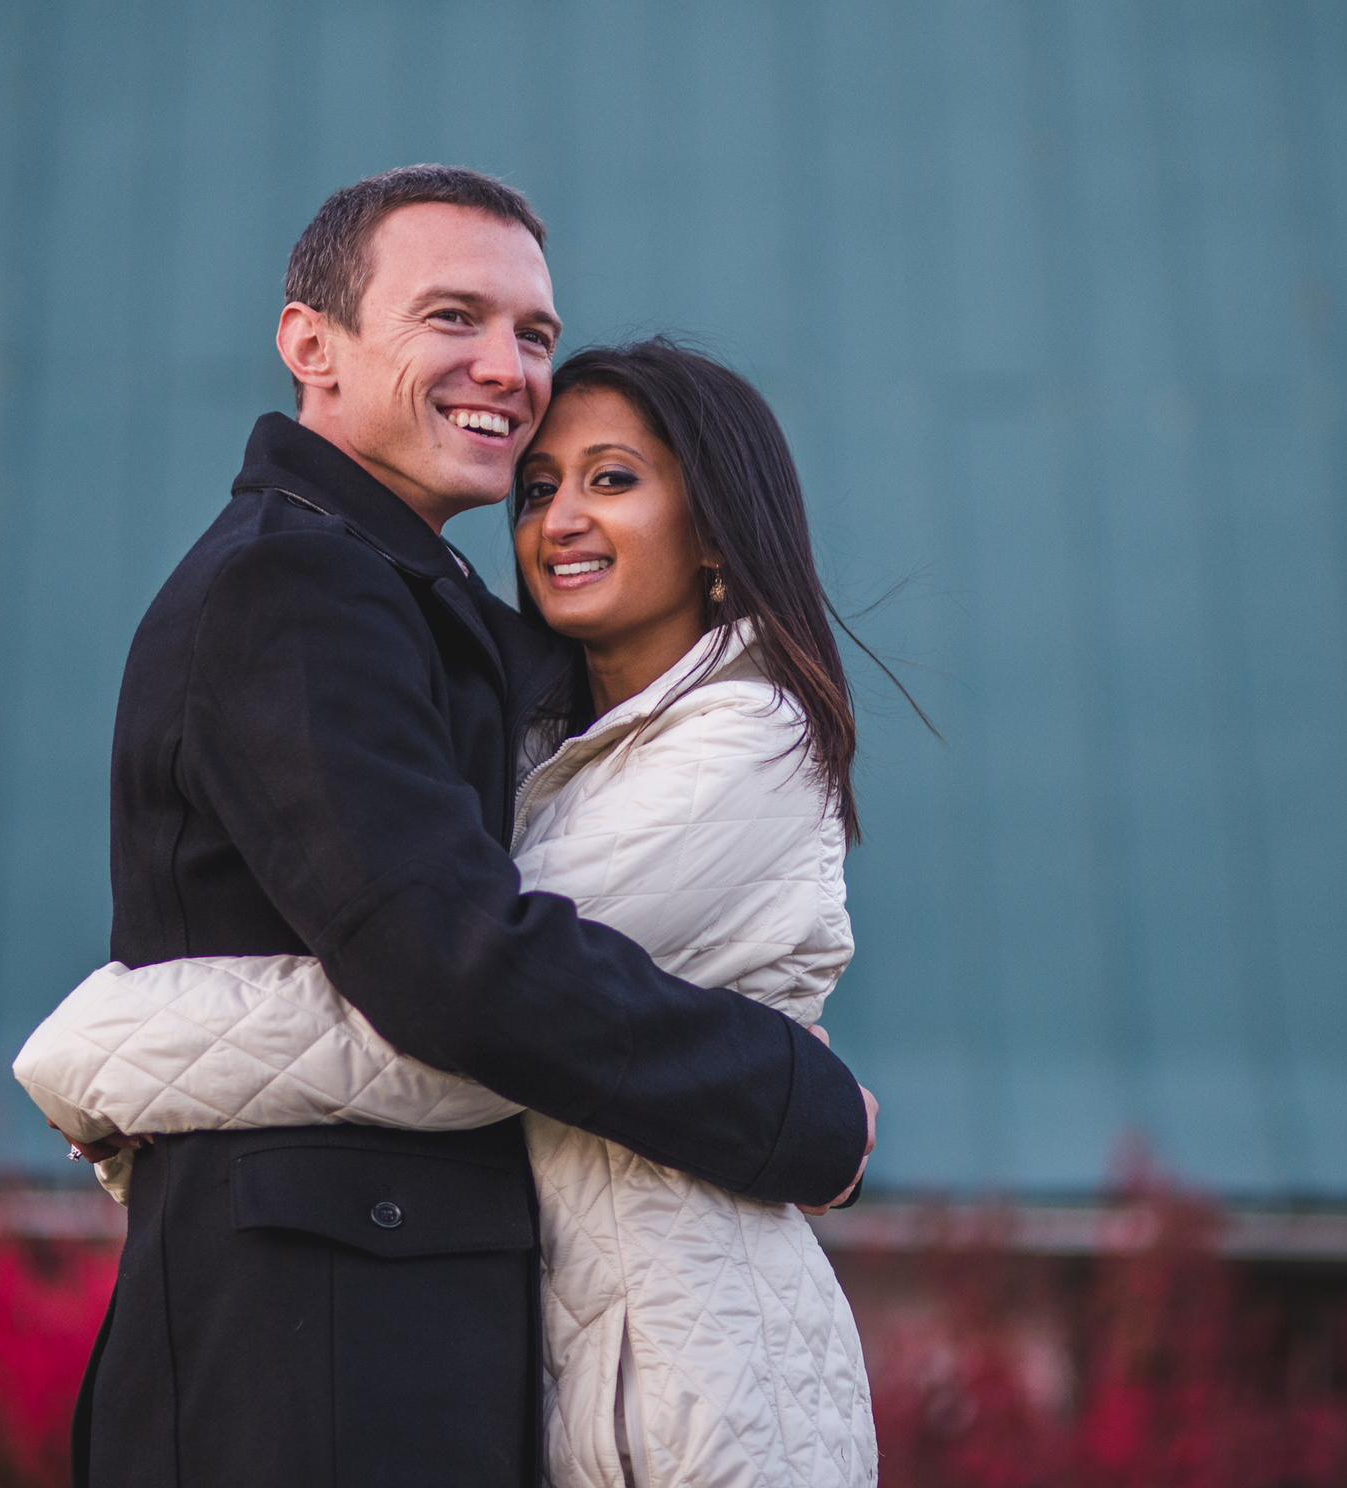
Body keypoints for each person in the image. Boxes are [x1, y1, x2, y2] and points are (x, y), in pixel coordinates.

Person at [55, 166, 875, 1488]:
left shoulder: (440, 617)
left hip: (408, 1330)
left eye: (533, 333)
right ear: (309, 345)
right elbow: (452, 963)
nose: (506, 366)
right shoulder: (296, 585)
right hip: (310, 1350)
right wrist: (792, 1096)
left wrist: (131, 1048)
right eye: (454, 318)